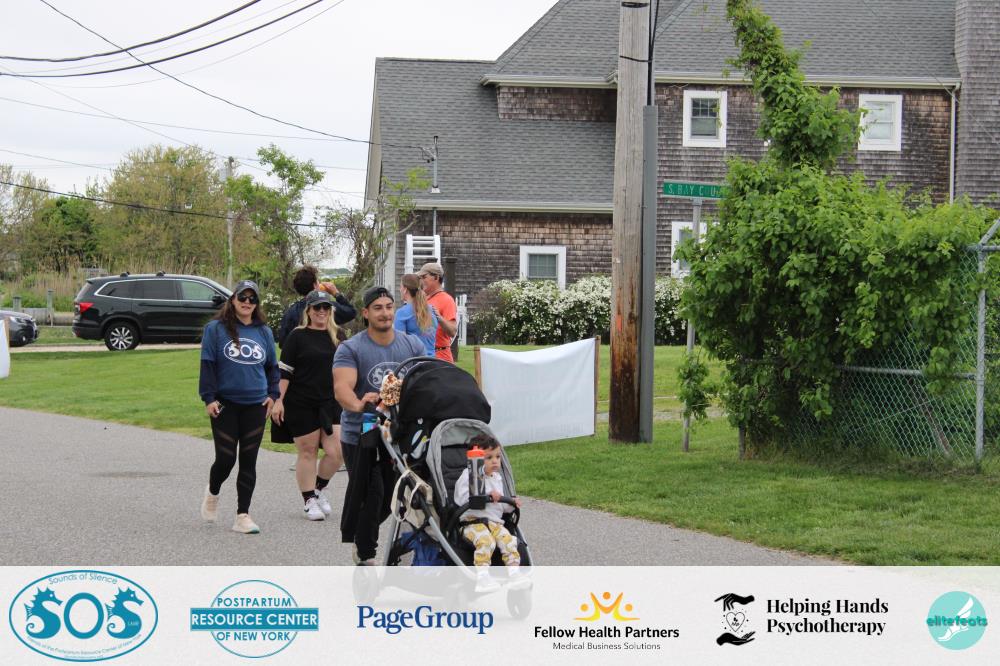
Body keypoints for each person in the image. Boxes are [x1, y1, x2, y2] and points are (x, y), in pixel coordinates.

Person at [333, 286, 426, 564]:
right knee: (371, 493)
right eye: (377, 308)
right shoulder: (351, 348)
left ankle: (362, 536)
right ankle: (366, 554)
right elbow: (342, 389)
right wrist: (359, 403)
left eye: (388, 307)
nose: (385, 313)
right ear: (365, 313)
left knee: (388, 497)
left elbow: (426, 380)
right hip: (362, 431)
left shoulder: (412, 346)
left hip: (399, 433)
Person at [199, 280, 279, 535]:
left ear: (257, 303)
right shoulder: (215, 329)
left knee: (248, 460)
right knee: (226, 459)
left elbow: (272, 368)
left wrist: (273, 395)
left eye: (252, 298)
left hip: (256, 404)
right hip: (225, 404)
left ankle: (242, 515)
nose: (247, 302)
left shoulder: (263, 331)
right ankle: (213, 491)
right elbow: (208, 365)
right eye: (242, 297)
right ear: (233, 299)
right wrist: (208, 398)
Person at [271, 290, 344, 521]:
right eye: (317, 307)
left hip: (330, 401)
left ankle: (319, 489)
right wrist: (278, 400)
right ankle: (309, 499)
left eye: (326, 307)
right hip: (301, 401)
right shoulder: (297, 336)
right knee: (308, 450)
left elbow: (347, 369)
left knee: (337, 452)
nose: (321, 311)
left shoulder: (338, 335)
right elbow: (285, 372)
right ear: (308, 311)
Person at [453, 433, 527, 592]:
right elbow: (461, 499)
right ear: (475, 459)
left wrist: (511, 503)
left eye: (498, 457)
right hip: (472, 522)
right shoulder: (468, 477)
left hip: (494, 523)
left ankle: (514, 573)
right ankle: (482, 578)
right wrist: (485, 494)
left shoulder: (496, 478)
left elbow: (501, 507)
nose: (495, 461)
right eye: (489, 458)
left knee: (509, 541)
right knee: (486, 541)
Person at [278, 265, 356, 347]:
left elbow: (283, 342)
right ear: (315, 285)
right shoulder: (326, 307)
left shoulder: (290, 312)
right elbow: (351, 312)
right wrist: (336, 293)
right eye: (318, 281)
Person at [417, 262, 458, 362]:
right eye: (420, 278)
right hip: (422, 355)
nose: (421, 281)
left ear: (436, 277)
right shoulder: (422, 299)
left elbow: (452, 331)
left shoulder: (446, 300)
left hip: (440, 357)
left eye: (424, 277)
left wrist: (439, 318)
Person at [395, 273, 437, 356]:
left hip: (414, 361)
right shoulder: (431, 310)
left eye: (400, 287)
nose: (399, 290)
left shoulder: (402, 313)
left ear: (405, 289)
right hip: (432, 360)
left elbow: (400, 345)